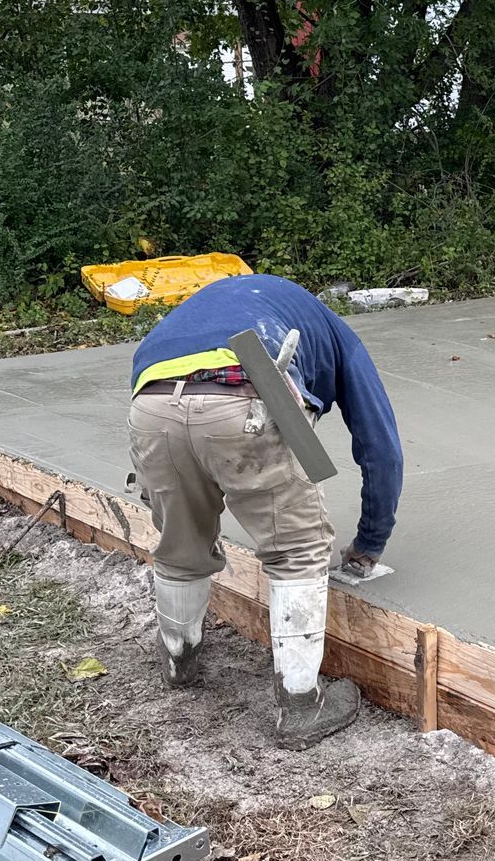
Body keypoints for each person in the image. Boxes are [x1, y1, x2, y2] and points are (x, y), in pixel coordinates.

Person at [127, 273, 403, 749]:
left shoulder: (210, 305)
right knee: (297, 549)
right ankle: (301, 706)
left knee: (180, 543)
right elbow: (380, 448)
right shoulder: (339, 335)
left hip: (150, 401)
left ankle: (179, 661)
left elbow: (161, 392)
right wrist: (370, 543)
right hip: (245, 395)